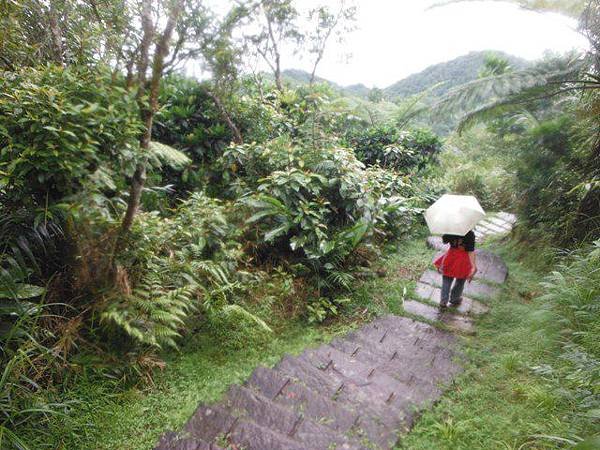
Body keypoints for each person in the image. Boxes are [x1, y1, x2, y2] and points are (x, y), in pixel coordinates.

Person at [433, 230, 477, 309]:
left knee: (446, 280)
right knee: (460, 281)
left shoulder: (451, 230)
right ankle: (455, 299)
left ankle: (443, 301)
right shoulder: (470, 234)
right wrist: (473, 266)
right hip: (463, 260)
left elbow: (444, 241)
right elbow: (471, 251)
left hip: (450, 257)